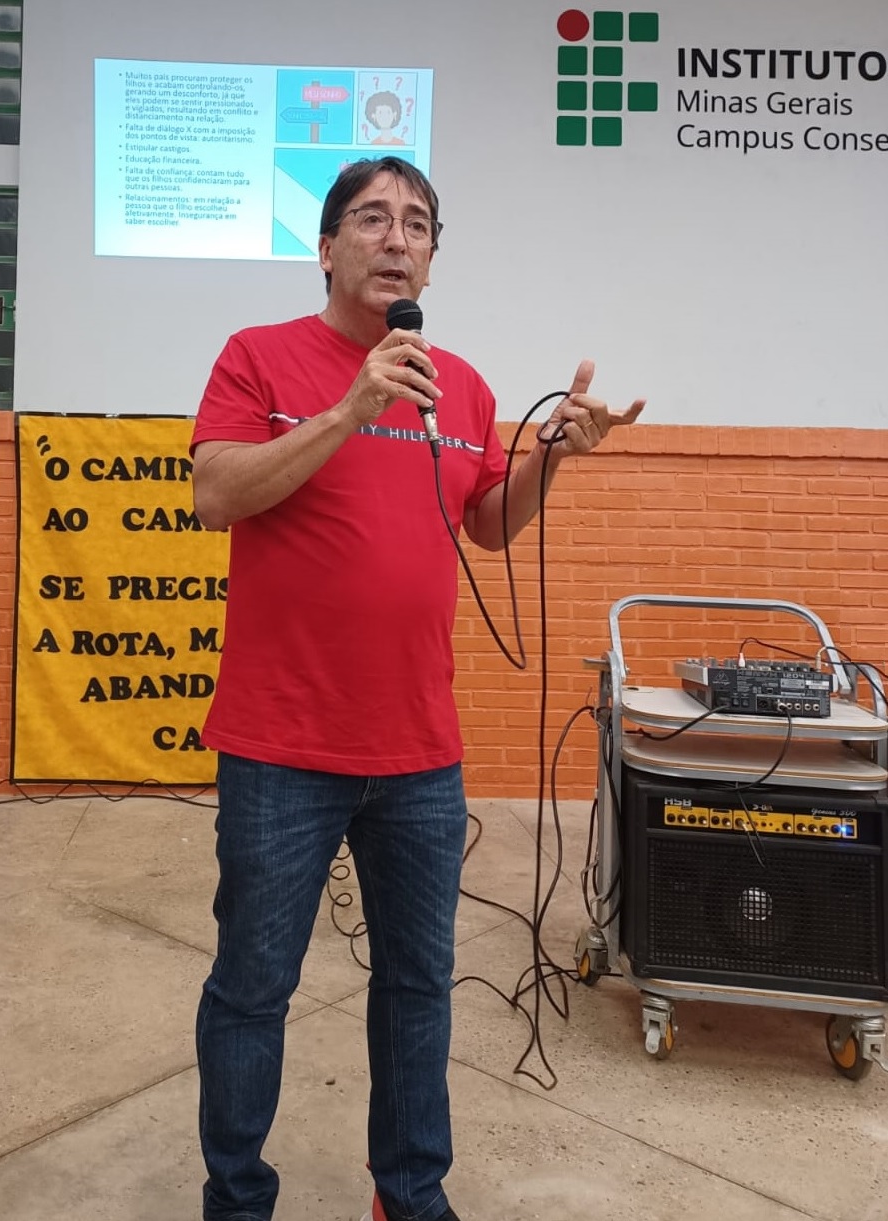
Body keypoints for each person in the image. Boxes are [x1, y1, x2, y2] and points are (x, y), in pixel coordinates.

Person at [190, 155, 644, 1221]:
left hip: (418, 754)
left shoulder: (464, 386)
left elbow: (487, 524)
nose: (396, 238)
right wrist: (349, 408)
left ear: (433, 257)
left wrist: (553, 457)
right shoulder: (258, 357)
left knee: (416, 986)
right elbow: (215, 494)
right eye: (371, 218)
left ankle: (408, 1191)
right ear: (326, 247)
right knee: (253, 987)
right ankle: (237, 1198)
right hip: (280, 745)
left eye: (418, 224)